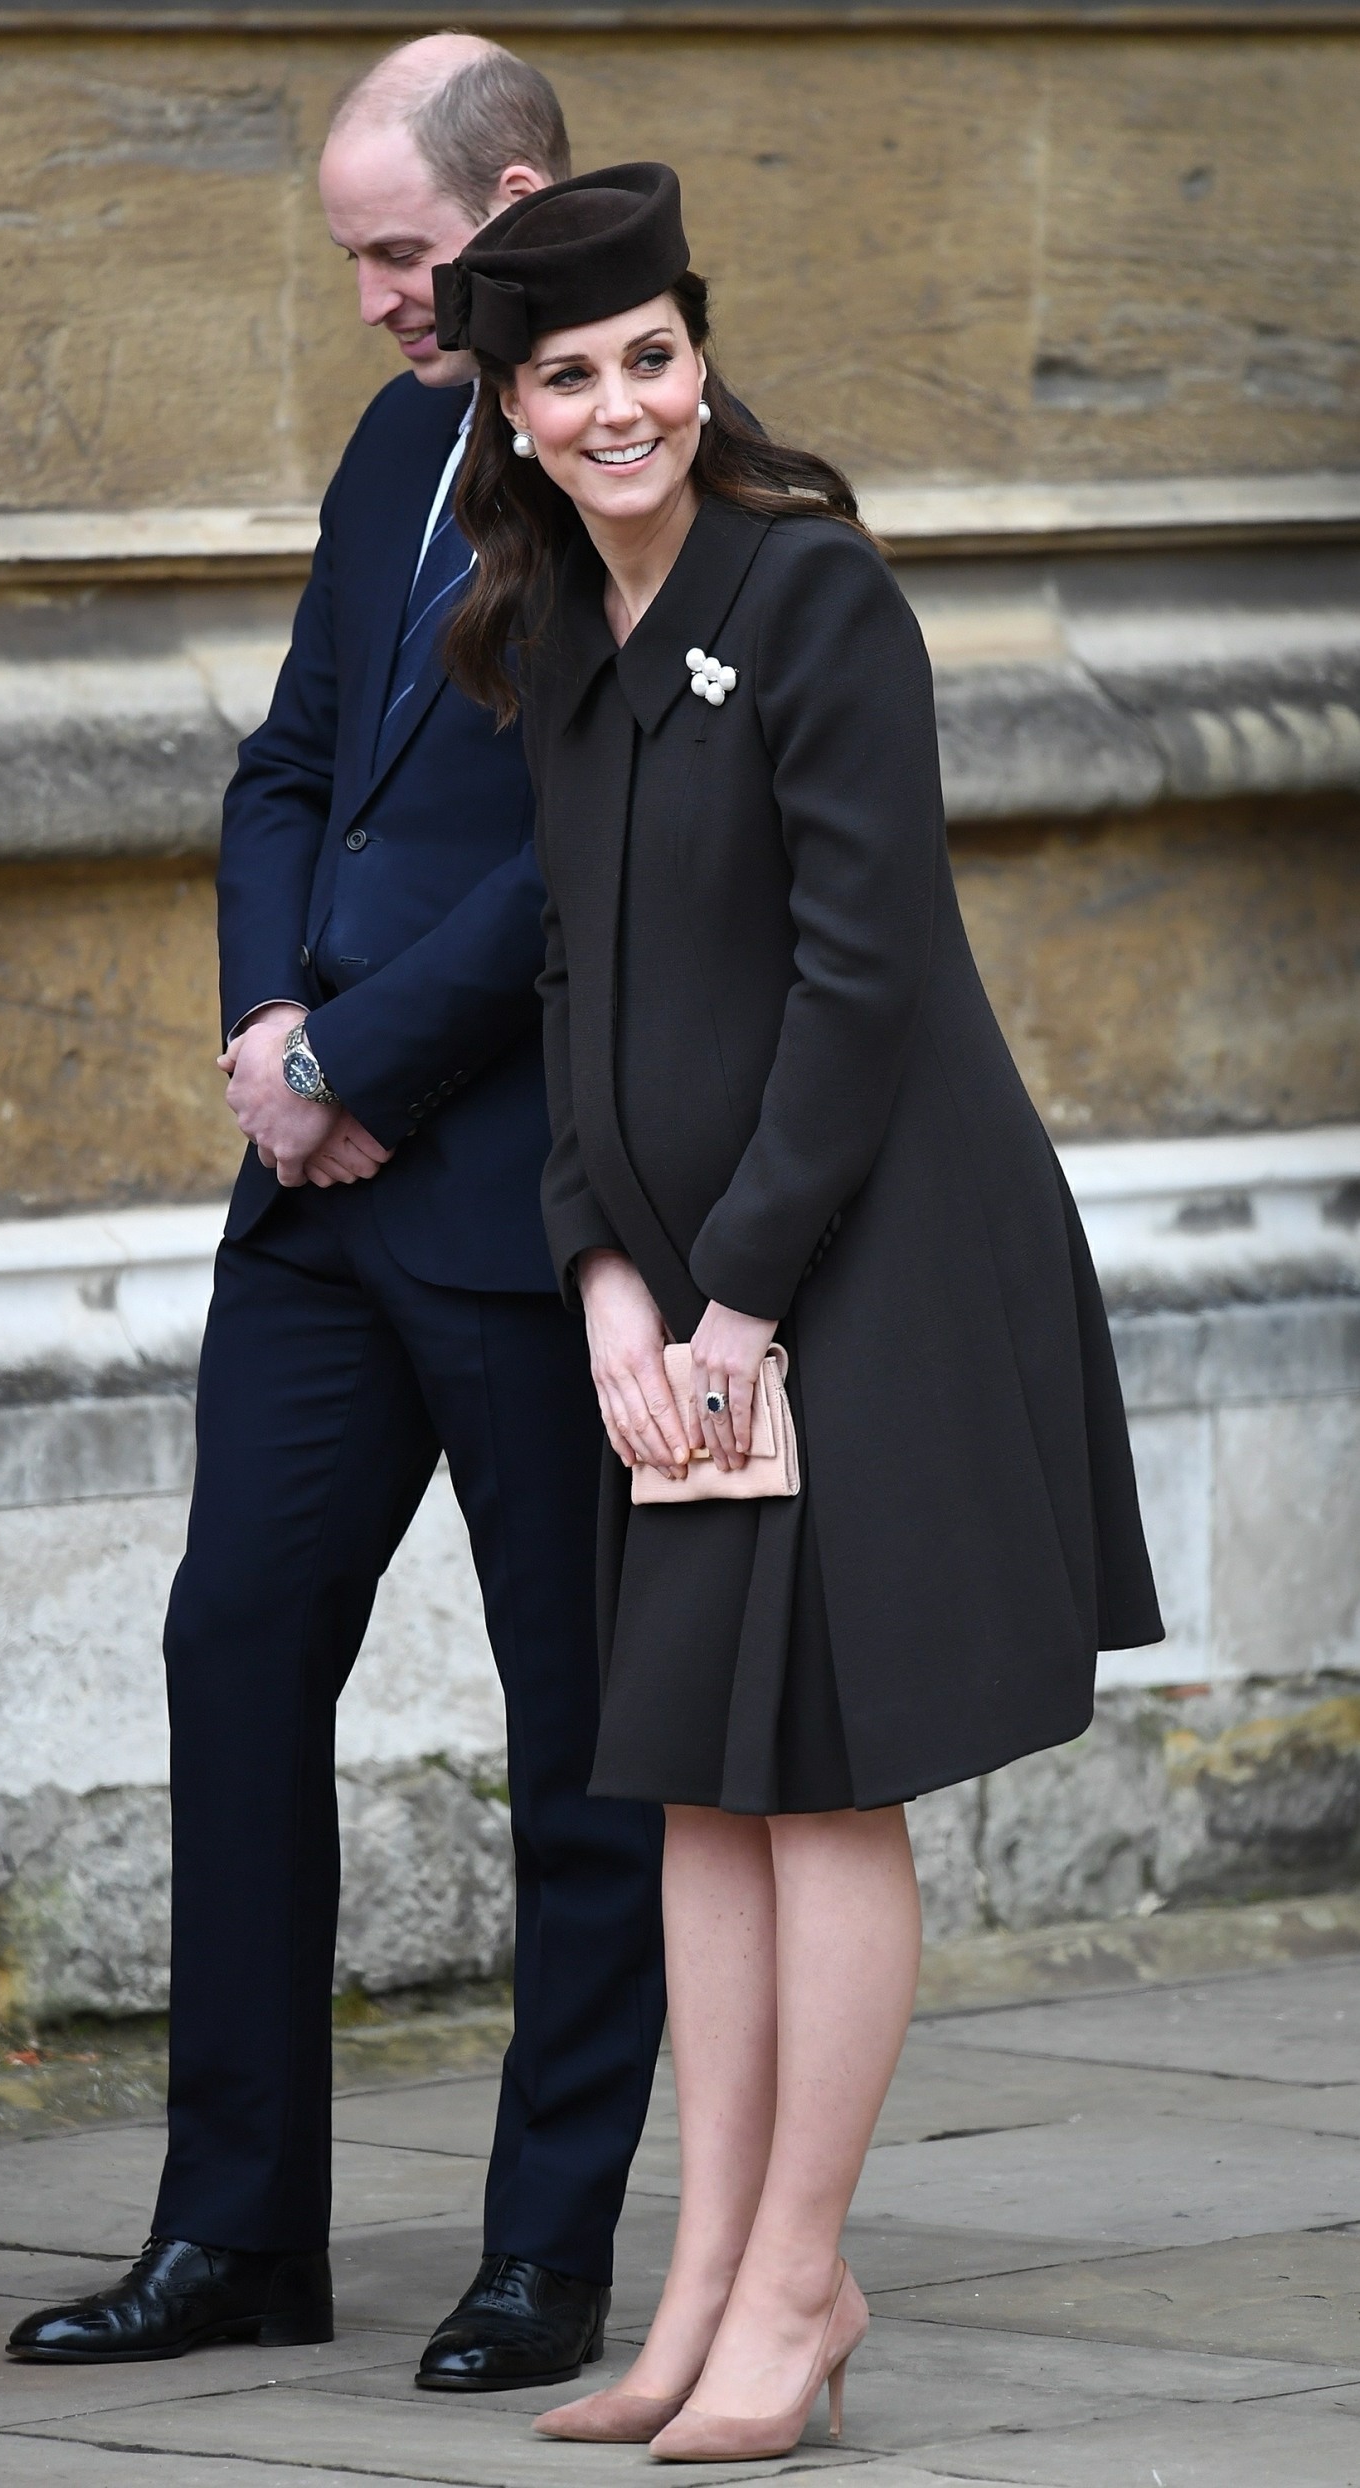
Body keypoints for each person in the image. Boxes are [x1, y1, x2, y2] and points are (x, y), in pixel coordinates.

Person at [434, 164, 1165, 2460]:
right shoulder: (549, 627)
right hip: (695, 1302)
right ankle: (706, 2275)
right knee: (695, 1786)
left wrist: (732, 1297)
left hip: (872, 1273)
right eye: (573, 372)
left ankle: (804, 2271)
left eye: (654, 351)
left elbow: (862, 991)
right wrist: (607, 1269)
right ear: (514, 412)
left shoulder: (816, 596)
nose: (627, 399)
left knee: (825, 1780)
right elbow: (570, 987)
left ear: (695, 352)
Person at [5, 44, 666, 2392]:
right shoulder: (399, 439)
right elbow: (292, 761)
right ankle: (236, 2233)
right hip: (312, 1206)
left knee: (581, 1737)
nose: (379, 301)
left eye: (403, 255)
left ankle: (543, 2255)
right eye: (360, 261)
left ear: (520, 202)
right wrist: (274, 1029)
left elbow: (586, 855)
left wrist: (363, 1068)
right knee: (232, 1655)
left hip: (512, 1203)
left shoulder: (637, 456)